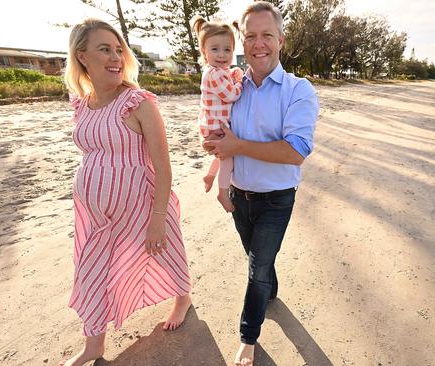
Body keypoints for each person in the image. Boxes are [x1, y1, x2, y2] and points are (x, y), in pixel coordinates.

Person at [61, 18, 192, 366]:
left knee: (165, 252)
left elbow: (163, 167)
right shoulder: (81, 104)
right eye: (105, 49)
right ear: (82, 56)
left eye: (118, 49)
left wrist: (158, 219)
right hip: (93, 215)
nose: (116, 56)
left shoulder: (138, 102)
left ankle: (182, 297)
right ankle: (94, 345)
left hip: (140, 205)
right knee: (92, 271)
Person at [203, 2, 319, 365]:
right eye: (250, 36)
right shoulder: (232, 88)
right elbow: (221, 137)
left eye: (267, 35)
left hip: (277, 200)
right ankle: (270, 290)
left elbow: (296, 150)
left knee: (256, 268)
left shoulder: (298, 90)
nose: (259, 43)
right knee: (260, 262)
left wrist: (237, 145)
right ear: (242, 41)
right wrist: (216, 162)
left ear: (280, 40)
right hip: (240, 197)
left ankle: (248, 337)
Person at [192, 16, 244, 212]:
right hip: (216, 127)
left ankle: (210, 175)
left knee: (221, 155)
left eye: (227, 49)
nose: (222, 54)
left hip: (213, 125)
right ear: (204, 51)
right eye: (215, 49)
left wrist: (234, 74)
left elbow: (227, 77)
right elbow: (231, 94)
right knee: (228, 157)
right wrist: (240, 83)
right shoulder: (214, 74)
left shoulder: (217, 71)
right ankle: (223, 192)